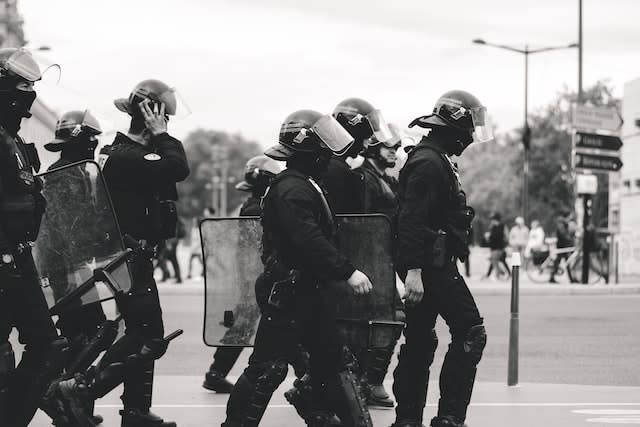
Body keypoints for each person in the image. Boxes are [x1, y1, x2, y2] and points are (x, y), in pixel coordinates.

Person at [222, 110, 374, 427]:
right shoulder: (292, 189)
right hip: (289, 291)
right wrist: (347, 271)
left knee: (332, 360)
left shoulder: (301, 184)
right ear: (309, 147)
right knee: (267, 367)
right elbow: (309, 240)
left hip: (306, 289)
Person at [52, 79, 190, 427]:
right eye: (164, 118)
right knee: (148, 334)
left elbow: (166, 176)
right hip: (128, 258)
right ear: (151, 115)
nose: (167, 126)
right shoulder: (126, 155)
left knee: (144, 331)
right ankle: (81, 390)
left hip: (137, 257)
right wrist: (161, 135)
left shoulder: (136, 155)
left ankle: (135, 411)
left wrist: (158, 141)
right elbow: (178, 167)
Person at [393, 90, 490, 427]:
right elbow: (411, 219)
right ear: (456, 126)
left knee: (420, 342)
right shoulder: (428, 162)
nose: (470, 138)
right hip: (431, 267)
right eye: (468, 129)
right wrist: (414, 271)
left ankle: (407, 420)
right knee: (470, 331)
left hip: (430, 265)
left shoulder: (434, 157)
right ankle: (448, 419)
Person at [0, 47, 70, 427]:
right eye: (20, 88)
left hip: (19, 257)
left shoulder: (14, 142)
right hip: (4, 259)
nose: (27, 99)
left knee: (49, 347)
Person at [41, 110, 107, 425]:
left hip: (77, 265)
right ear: (79, 139)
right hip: (66, 269)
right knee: (86, 334)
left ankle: (73, 404)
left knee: (92, 332)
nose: (95, 142)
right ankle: (55, 392)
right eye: (92, 137)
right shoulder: (60, 174)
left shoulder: (78, 171)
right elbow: (63, 227)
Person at [203, 155, 282, 393]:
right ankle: (216, 373)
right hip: (257, 274)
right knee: (250, 324)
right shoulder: (258, 207)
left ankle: (216, 373)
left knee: (243, 325)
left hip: (252, 274)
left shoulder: (253, 205)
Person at [353, 128, 403, 408]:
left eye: (396, 146)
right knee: (387, 319)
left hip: (384, 258)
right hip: (370, 260)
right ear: (372, 147)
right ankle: (368, 381)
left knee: (389, 320)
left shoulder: (384, 180)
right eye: (388, 146)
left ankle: (369, 381)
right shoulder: (363, 179)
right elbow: (361, 224)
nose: (393, 151)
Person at [324, 97, 393, 213]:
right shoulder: (335, 170)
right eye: (366, 136)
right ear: (354, 132)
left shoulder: (333, 164)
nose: (368, 143)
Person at [187, 206, 214, 279]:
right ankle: (203, 272)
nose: (204, 212)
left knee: (205, 261)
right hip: (201, 246)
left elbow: (202, 238)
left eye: (206, 211)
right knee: (203, 261)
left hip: (203, 246)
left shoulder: (209, 222)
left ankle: (208, 272)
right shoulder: (203, 223)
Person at [550, 212, 575, 284]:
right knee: (561, 262)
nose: (570, 218)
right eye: (570, 216)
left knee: (564, 262)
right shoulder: (561, 223)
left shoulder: (563, 223)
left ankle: (570, 278)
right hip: (562, 245)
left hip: (563, 245)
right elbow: (563, 234)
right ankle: (570, 278)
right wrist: (570, 240)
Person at [484, 213, 510, 280]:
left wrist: (505, 244)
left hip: (499, 247)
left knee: (494, 260)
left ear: (496, 219)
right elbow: (491, 237)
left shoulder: (502, 226)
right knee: (497, 261)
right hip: (493, 247)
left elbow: (506, 236)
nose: (491, 221)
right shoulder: (492, 227)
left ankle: (499, 274)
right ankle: (504, 273)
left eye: (493, 219)